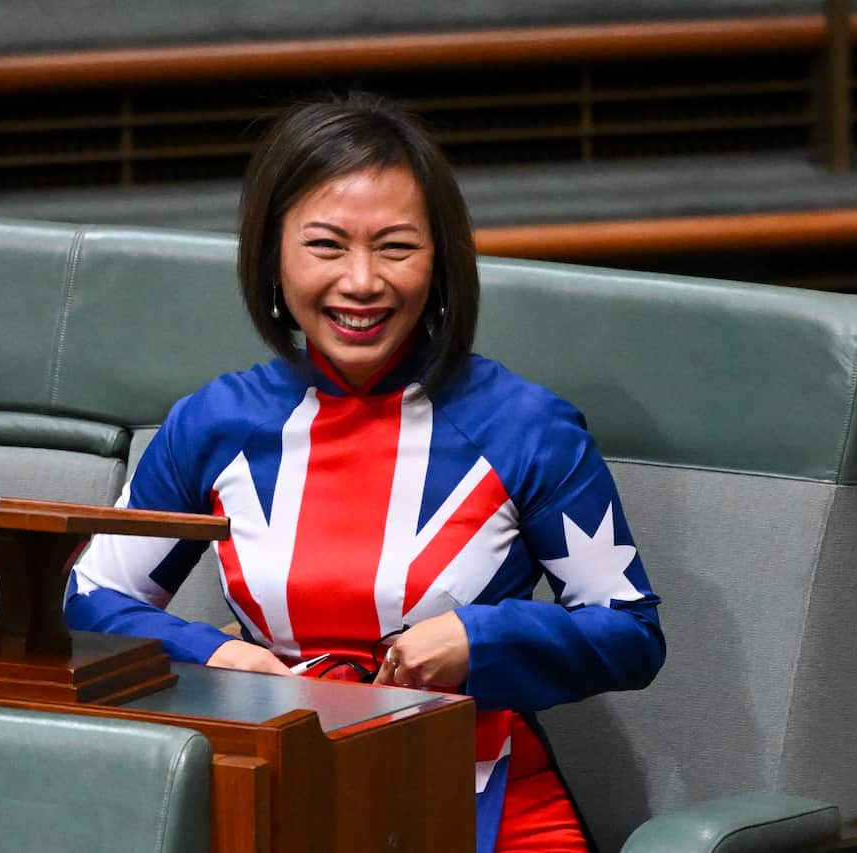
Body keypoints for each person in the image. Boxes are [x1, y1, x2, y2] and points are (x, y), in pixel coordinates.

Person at [65, 92, 665, 852]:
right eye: (325, 245)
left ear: (441, 260)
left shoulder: (529, 428)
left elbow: (629, 629)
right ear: (272, 257)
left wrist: (478, 641)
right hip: (272, 796)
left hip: (479, 805)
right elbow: (87, 601)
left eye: (395, 247)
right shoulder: (213, 424)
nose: (361, 282)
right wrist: (220, 657)